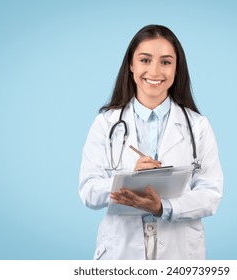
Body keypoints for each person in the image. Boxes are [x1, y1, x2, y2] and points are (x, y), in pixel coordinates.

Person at [79, 24, 223, 260]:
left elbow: (211, 195)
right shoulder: (106, 124)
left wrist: (163, 208)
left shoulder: (198, 126)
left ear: (177, 69)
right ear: (131, 65)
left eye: (166, 62)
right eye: (145, 60)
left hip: (180, 251)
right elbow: (89, 192)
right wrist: (128, 178)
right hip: (121, 249)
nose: (155, 71)